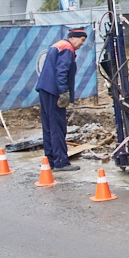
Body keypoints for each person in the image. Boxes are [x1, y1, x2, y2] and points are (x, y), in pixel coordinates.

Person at [35, 27, 88, 171]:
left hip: (45, 90)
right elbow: (62, 72)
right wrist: (63, 92)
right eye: (82, 40)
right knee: (57, 126)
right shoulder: (67, 48)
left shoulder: (57, 45)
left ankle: (50, 159)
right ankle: (61, 161)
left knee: (48, 126)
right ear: (73, 37)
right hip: (54, 91)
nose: (82, 44)